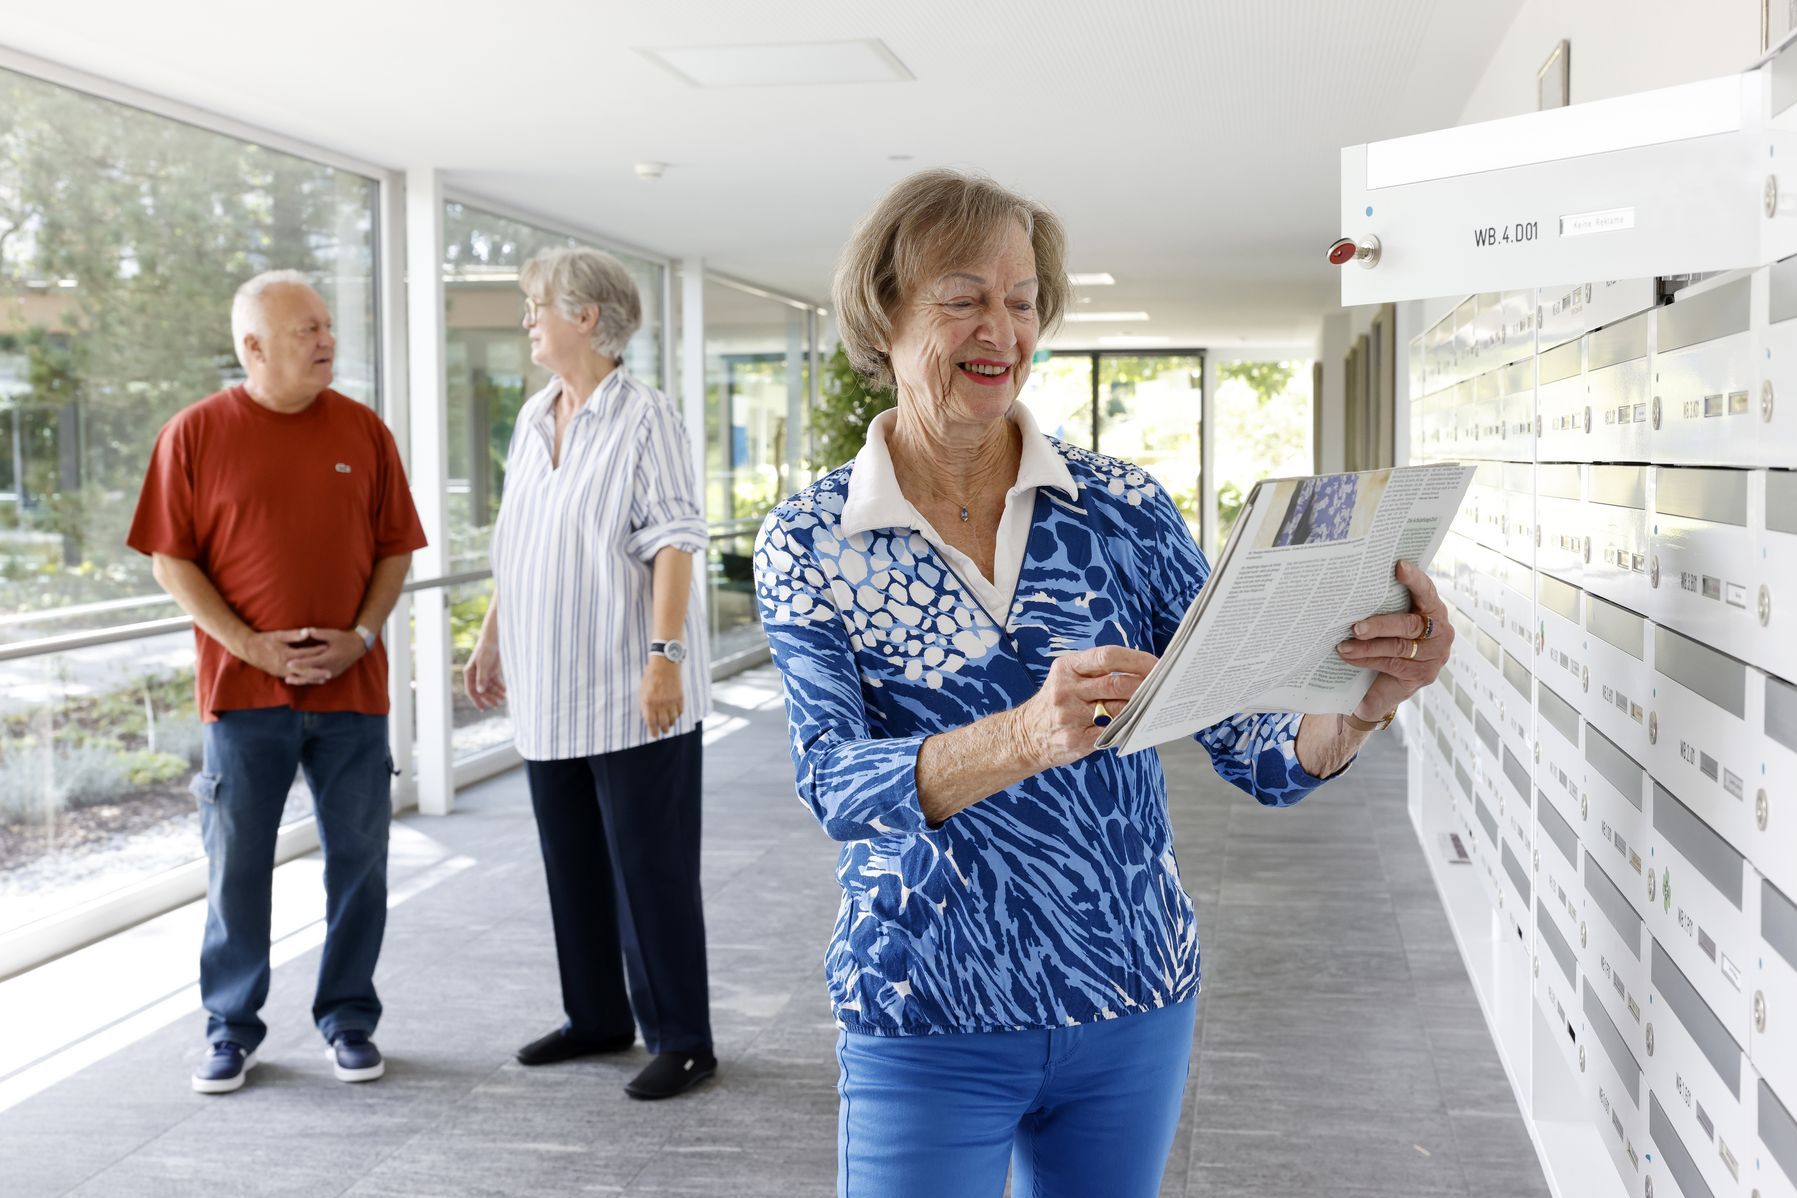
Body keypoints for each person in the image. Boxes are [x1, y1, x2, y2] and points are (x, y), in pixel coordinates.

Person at [753, 170, 1453, 1197]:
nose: (1003, 328)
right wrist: (1024, 735)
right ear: (884, 314)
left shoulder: (1122, 510)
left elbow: (1253, 752)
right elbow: (835, 783)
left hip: (1130, 993)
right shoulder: (809, 540)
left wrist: (1363, 701)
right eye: (964, 296)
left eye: (1023, 298)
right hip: (926, 1002)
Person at [128, 269, 426, 1094]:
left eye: (327, 326)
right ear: (252, 347)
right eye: (307, 330)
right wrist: (249, 647)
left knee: (360, 865)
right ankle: (230, 1029)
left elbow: (395, 545)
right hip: (243, 698)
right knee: (236, 869)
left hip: (351, 694)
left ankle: (348, 1020)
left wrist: (360, 636)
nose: (327, 340)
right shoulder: (192, 434)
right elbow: (170, 559)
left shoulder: (364, 432)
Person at [462, 246, 716, 1101]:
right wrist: (492, 639)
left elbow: (676, 539)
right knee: (570, 863)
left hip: (629, 686)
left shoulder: (646, 418)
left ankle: (683, 1038)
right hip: (547, 687)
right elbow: (518, 541)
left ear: (586, 316)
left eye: (538, 305)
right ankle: (597, 1016)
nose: (528, 319)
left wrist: (665, 657)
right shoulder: (535, 420)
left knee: (650, 869)